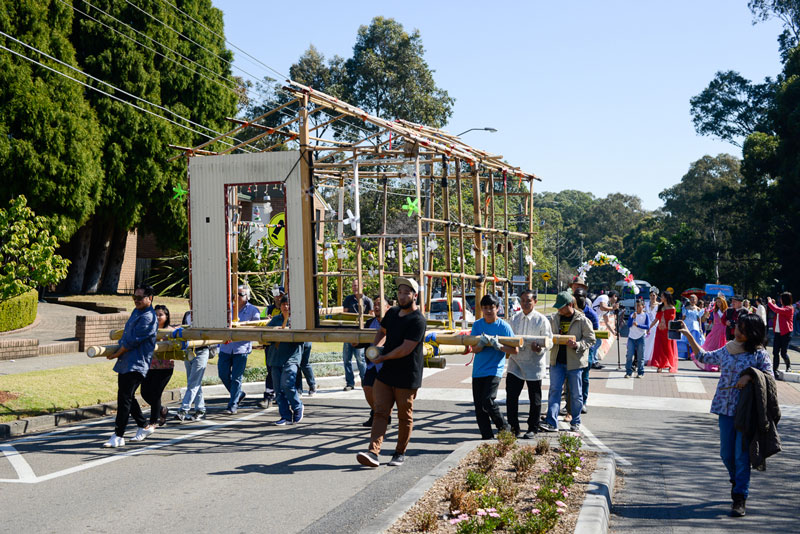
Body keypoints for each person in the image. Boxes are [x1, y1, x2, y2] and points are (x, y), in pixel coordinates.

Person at [679, 314, 774, 518]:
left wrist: (750, 375)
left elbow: (769, 378)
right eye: (738, 327)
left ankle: (739, 497)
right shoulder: (728, 348)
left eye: (741, 329)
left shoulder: (760, 355)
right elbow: (704, 357)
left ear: (752, 333)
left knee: (741, 456)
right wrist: (688, 336)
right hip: (724, 407)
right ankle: (736, 480)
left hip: (746, 411)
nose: (737, 331)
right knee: (726, 454)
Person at [357, 277, 426, 468]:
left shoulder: (418, 320)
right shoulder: (393, 312)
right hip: (386, 373)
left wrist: (383, 357)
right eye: (400, 292)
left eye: (407, 293)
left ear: (415, 295)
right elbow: (382, 330)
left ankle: (399, 453)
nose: (402, 296)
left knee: (404, 416)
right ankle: (373, 452)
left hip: (407, 375)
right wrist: (376, 347)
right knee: (380, 412)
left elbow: (405, 348)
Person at [102, 285, 158, 448]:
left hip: (137, 363)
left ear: (150, 298)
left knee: (124, 398)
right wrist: (116, 351)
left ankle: (118, 435)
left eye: (140, 298)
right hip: (127, 361)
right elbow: (127, 336)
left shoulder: (148, 317)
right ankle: (143, 425)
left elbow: (132, 341)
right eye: (134, 297)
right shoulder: (137, 312)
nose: (136, 301)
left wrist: (116, 353)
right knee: (127, 396)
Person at [541, 292, 595, 433]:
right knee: (554, 392)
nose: (559, 310)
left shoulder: (582, 320)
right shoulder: (554, 319)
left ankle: (576, 421)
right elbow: (547, 336)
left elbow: (591, 339)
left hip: (575, 363)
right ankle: (551, 422)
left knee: (576, 394)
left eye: (561, 307)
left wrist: (577, 344)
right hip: (557, 361)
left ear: (570, 305)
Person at [469, 294, 518, 440]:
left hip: (494, 370)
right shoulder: (478, 325)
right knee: (479, 406)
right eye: (485, 308)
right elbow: (474, 349)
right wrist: (481, 344)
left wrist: (500, 346)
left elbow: (515, 350)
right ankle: (487, 437)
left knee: (488, 401)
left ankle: (505, 428)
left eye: (491, 308)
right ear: (481, 309)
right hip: (478, 371)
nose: (488, 311)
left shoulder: (504, 326)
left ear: (497, 308)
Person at [507, 290, 552, 439]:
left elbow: (549, 341)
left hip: (534, 364)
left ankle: (533, 427)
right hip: (516, 363)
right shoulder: (514, 319)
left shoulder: (542, 320)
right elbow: (509, 338)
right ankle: (513, 427)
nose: (525, 303)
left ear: (535, 302)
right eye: (523, 301)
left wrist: (539, 348)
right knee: (512, 396)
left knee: (535, 399)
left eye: (528, 301)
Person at [218, 285, 261, 414]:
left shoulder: (253, 310)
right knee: (223, 374)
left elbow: (255, 329)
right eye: (236, 294)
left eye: (241, 294)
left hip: (241, 349)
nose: (237, 297)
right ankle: (238, 394)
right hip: (226, 347)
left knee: (237, 378)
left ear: (247, 297)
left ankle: (233, 405)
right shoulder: (227, 309)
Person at [266, 296, 304, 425]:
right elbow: (266, 336)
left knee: (287, 384)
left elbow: (301, 338)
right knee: (278, 390)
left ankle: (297, 406)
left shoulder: (298, 320)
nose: (285, 307)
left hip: (291, 358)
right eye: (283, 304)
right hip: (275, 358)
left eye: (288, 304)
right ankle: (285, 416)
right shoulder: (275, 319)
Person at [139, 305, 175, 433]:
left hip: (165, 367)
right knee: (144, 392)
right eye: (156, 314)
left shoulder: (171, 331)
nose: (158, 317)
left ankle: (153, 421)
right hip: (149, 366)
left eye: (161, 315)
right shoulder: (149, 329)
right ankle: (161, 410)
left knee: (156, 394)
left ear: (166, 317)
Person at [175, 310, 211, 422]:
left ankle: (183, 410)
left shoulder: (205, 315)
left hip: (201, 351)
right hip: (188, 351)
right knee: (194, 382)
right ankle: (200, 409)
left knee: (193, 382)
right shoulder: (187, 314)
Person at [362, 296, 390, 427]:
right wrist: (355, 343)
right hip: (373, 363)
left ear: (388, 307)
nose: (376, 307)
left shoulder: (393, 323)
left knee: (387, 393)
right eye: (375, 304)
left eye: (380, 304)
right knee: (367, 387)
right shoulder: (369, 323)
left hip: (388, 363)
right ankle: (377, 412)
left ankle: (382, 415)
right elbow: (362, 342)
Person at [342, 279, 373, 391]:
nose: (354, 288)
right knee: (346, 359)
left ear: (362, 287)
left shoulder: (368, 301)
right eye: (353, 286)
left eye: (356, 285)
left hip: (360, 334)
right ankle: (350, 383)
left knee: (360, 359)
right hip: (349, 333)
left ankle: (365, 381)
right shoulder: (348, 299)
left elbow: (370, 318)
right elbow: (344, 315)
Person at [572, 288, 598, 412]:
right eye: (576, 296)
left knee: (585, 377)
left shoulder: (591, 314)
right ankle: (571, 402)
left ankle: (583, 402)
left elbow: (596, 333)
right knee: (573, 377)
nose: (578, 298)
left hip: (587, 349)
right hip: (572, 348)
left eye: (580, 296)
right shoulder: (571, 311)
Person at [649, 291, 677, 373]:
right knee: (659, 348)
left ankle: (669, 364)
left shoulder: (672, 308)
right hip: (660, 330)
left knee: (668, 348)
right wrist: (649, 327)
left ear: (666, 297)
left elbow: (672, 320)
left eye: (662, 296)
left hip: (668, 331)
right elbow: (656, 319)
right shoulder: (660, 307)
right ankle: (660, 365)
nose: (661, 298)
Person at [767, 292, 794, 375]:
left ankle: (788, 366)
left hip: (786, 333)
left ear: (784, 299)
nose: (780, 300)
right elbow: (778, 309)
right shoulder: (782, 307)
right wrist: (774, 304)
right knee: (775, 352)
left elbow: (777, 310)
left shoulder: (789, 308)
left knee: (783, 352)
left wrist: (770, 303)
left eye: (781, 298)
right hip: (778, 332)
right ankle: (775, 370)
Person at [682, 294, 708, 370]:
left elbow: (699, 319)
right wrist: (681, 323)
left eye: (694, 299)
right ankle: (688, 355)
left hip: (694, 325)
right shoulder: (685, 308)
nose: (692, 300)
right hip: (687, 324)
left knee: (694, 339)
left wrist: (700, 327)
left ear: (696, 300)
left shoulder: (698, 309)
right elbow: (683, 317)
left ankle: (694, 353)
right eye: (691, 299)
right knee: (687, 339)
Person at [625, 299, 650, 378]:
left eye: (639, 305)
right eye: (636, 305)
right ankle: (628, 372)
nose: (637, 307)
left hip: (641, 337)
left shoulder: (645, 315)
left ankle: (640, 372)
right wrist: (632, 318)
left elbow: (647, 326)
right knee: (629, 355)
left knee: (640, 356)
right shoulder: (632, 314)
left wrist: (638, 325)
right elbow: (628, 325)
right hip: (632, 337)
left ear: (643, 306)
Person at [642, 288, 660, 366]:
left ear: (656, 296)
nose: (652, 297)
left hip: (656, 325)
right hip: (647, 325)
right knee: (646, 342)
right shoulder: (646, 304)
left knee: (654, 343)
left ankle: (653, 358)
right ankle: (645, 358)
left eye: (654, 295)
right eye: (651, 295)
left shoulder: (659, 305)